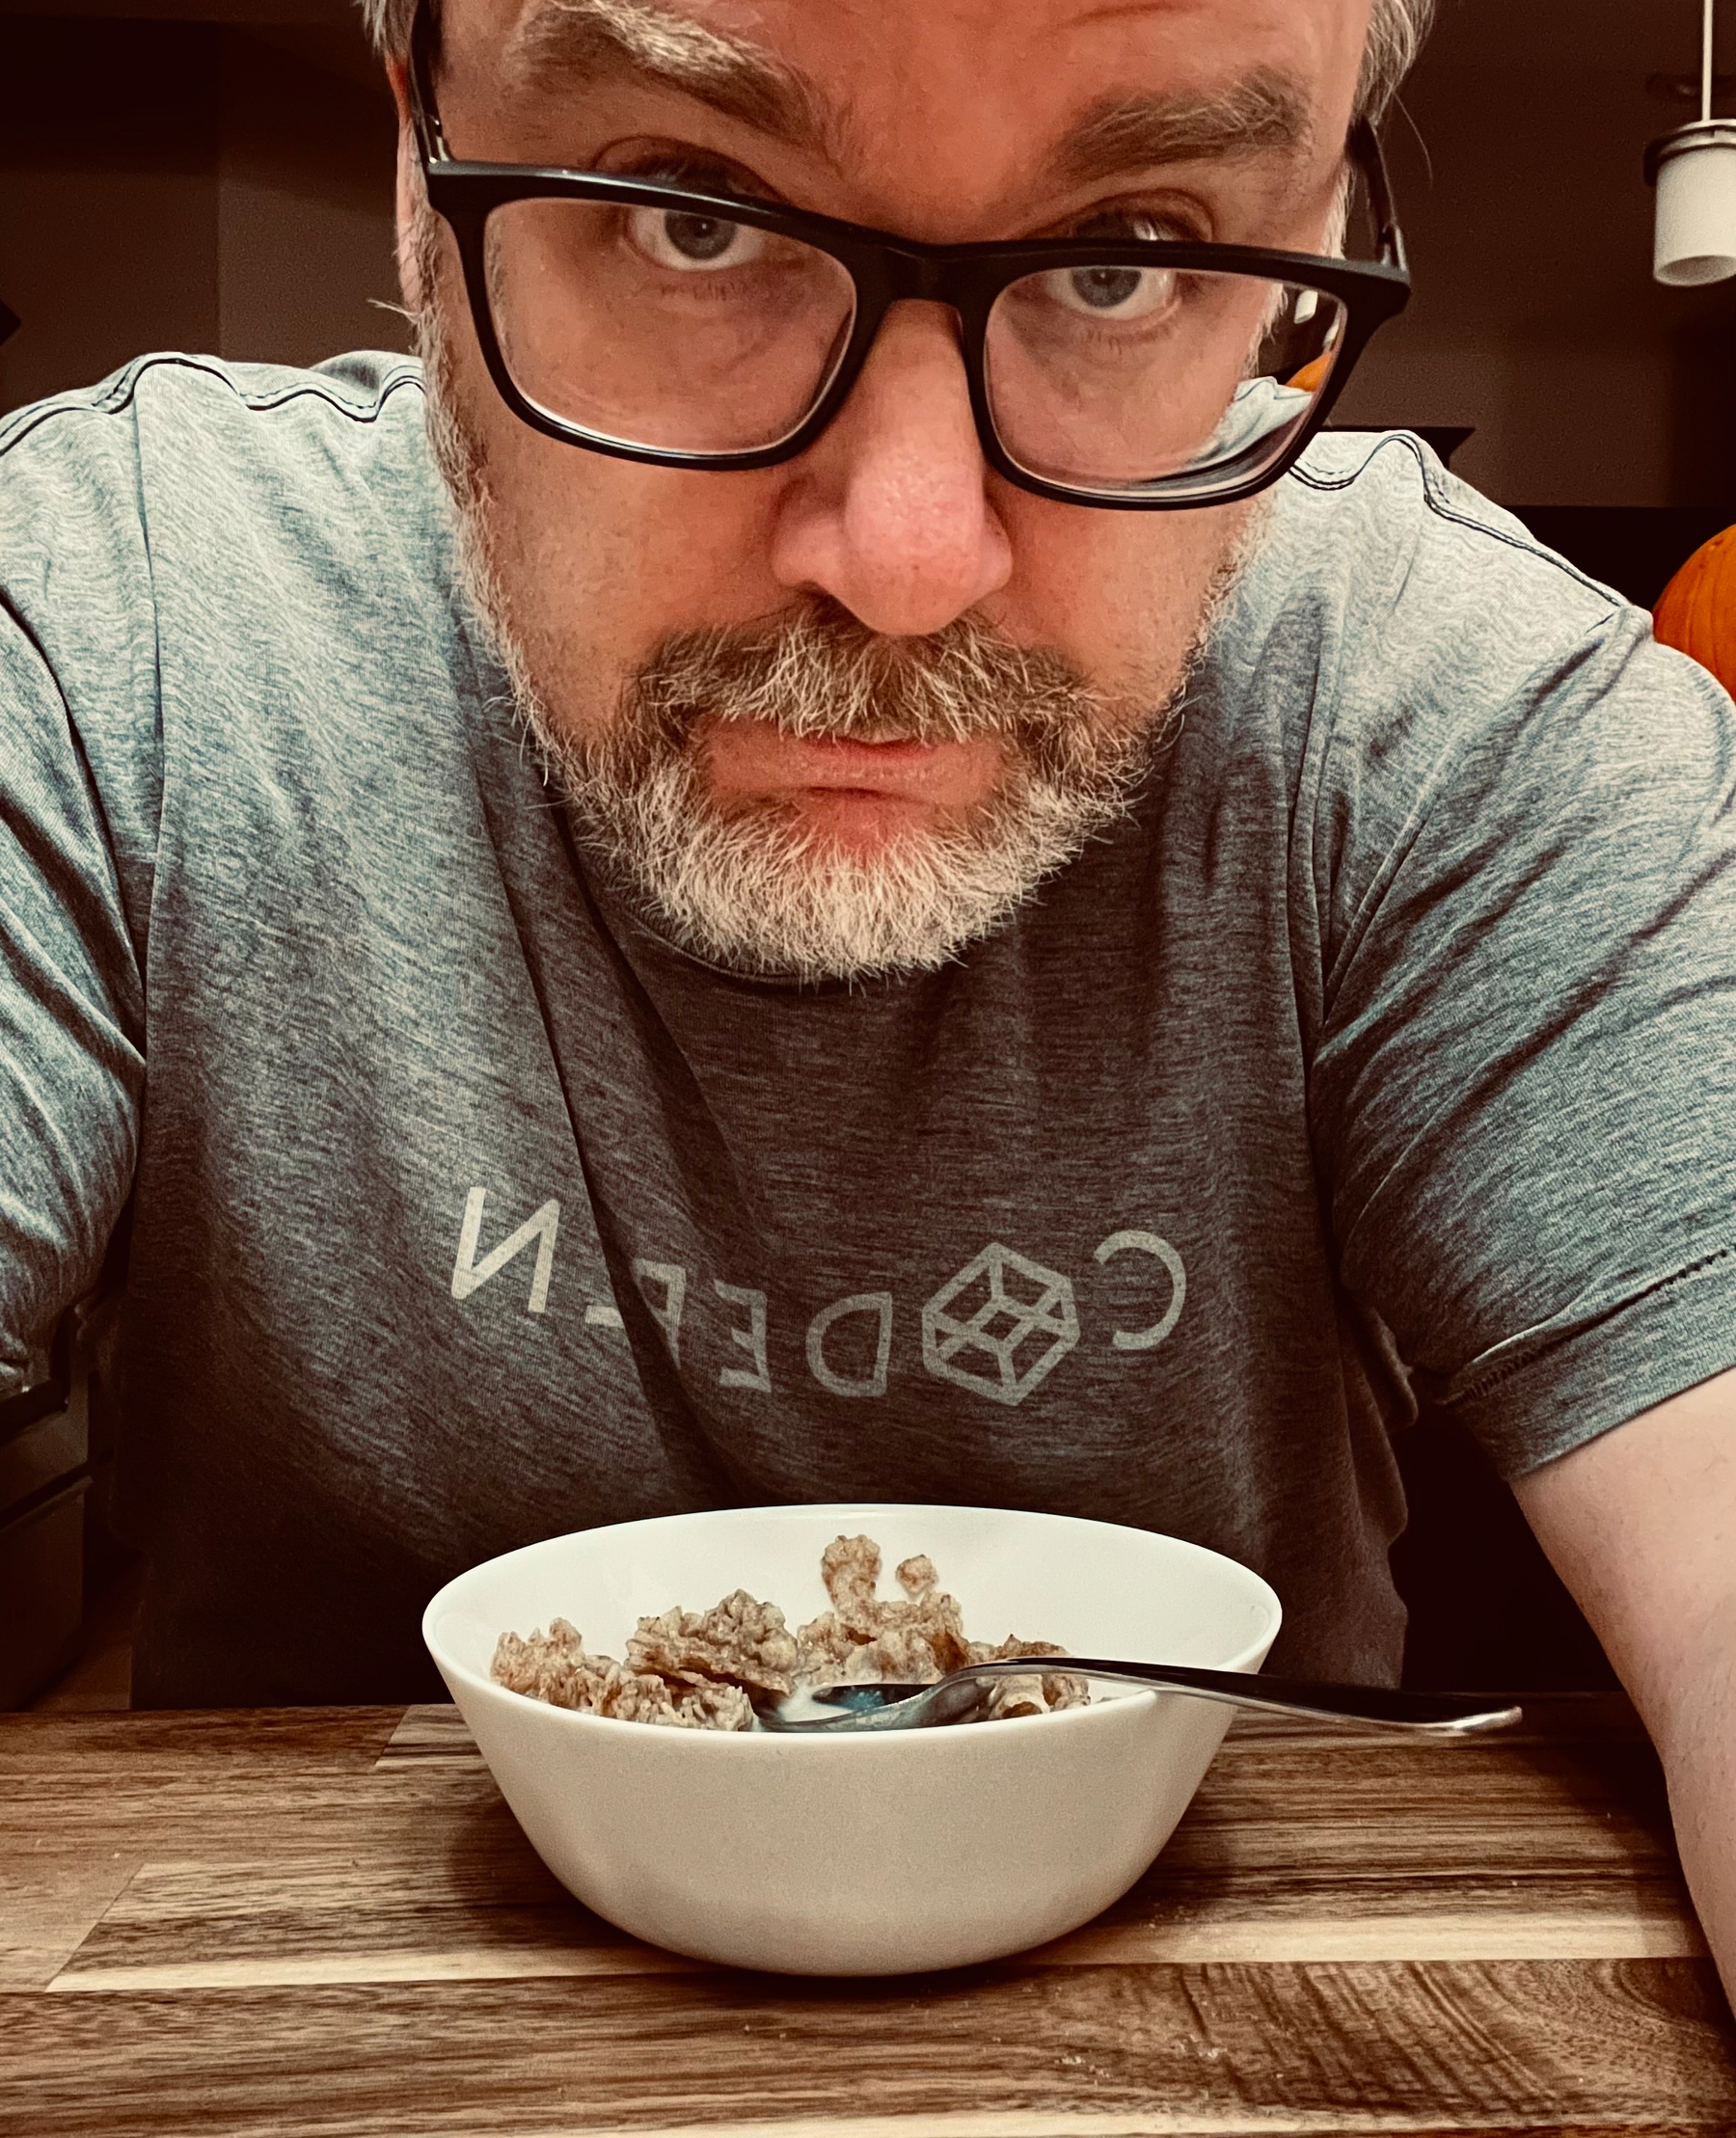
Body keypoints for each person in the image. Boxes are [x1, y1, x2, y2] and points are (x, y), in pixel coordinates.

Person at [1, 0, 1732, 2000]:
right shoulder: (111, 632)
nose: (908, 559)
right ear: (418, 157)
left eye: (1130, 261)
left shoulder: (1466, 724)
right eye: (691, 216)